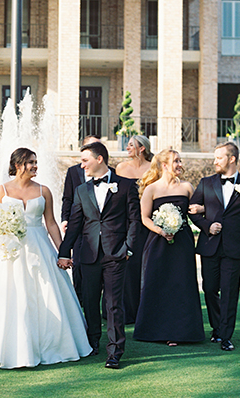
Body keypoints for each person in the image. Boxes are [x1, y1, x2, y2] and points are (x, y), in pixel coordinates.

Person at [0, 148, 91, 369]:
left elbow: (50, 223)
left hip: (39, 247)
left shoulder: (44, 191)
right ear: (18, 164)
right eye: (30, 162)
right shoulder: (1, 191)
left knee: (45, 292)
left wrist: (62, 252)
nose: (35, 166)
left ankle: (50, 343)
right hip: (9, 249)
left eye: (35, 162)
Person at [58, 141, 140, 369]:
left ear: (99, 159)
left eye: (85, 160)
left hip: (116, 254)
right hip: (88, 254)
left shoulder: (125, 186)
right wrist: (64, 253)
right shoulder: (81, 190)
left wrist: (128, 248)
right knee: (90, 302)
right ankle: (93, 342)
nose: (81, 165)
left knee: (114, 304)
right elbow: (74, 225)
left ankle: (115, 351)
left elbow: (135, 220)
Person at [189, 142, 240, 352]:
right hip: (209, 246)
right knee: (210, 289)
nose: (215, 162)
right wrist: (207, 226)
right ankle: (217, 327)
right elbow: (192, 211)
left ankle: (225, 336)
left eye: (219, 158)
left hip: (233, 248)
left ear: (231, 159)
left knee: (230, 293)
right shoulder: (205, 183)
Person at [133, 149, 204, 345]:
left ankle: (181, 332)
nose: (180, 164)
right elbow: (144, 218)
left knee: (182, 284)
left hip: (182, 244)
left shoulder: (188, 188)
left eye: (181, 161)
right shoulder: (151, 189)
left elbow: (197, 211)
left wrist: (202, 209)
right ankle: (156, 331)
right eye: (176, 161)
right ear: (164, 165)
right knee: (158, 284)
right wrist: (160, 230)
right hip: (158, 243)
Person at [115, 135, 153, 325]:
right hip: (125, 220)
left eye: (131, 145)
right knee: (128, 265)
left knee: (145, 264)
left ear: (142, 148)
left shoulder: (153, 168)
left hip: (147, 221)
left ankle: (147, 310)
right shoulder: (121, 168)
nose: (127, 147)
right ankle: (128, 310)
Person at [61, 134, 101, 302]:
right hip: (78, 222)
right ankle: (79, 299)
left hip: (97, 225)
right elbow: (68, 197)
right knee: (77, 262)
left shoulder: (110, 173)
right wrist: (65, 219)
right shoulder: (73, 171)